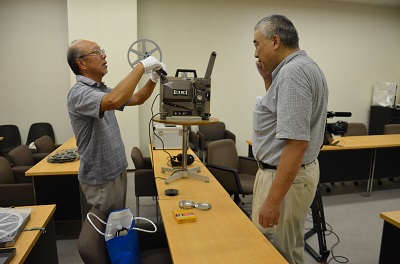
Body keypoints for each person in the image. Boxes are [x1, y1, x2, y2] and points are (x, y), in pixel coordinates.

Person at [251, 15, 328, 264]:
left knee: (276, 250)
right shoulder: (301, 67)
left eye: (257, 44)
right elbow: (279, 115)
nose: (255, 53)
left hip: (283, 178)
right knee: (287, 245)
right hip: (287, 175)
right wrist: (268, 81)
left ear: (275, 41)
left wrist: (273, 202)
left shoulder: (293, 74)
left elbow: (296, 143)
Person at [66, 39, 165, 216]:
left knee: (117, 224)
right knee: (105, 231)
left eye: (101, 50)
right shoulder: (79, 93)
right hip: (102, 178)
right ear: (81, 63)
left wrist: (153, 79)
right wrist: (141, 66)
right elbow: (114, 100)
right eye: (96, 52)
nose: (104, 55)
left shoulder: (101, 90)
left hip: (117, 169)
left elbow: (136, 99)